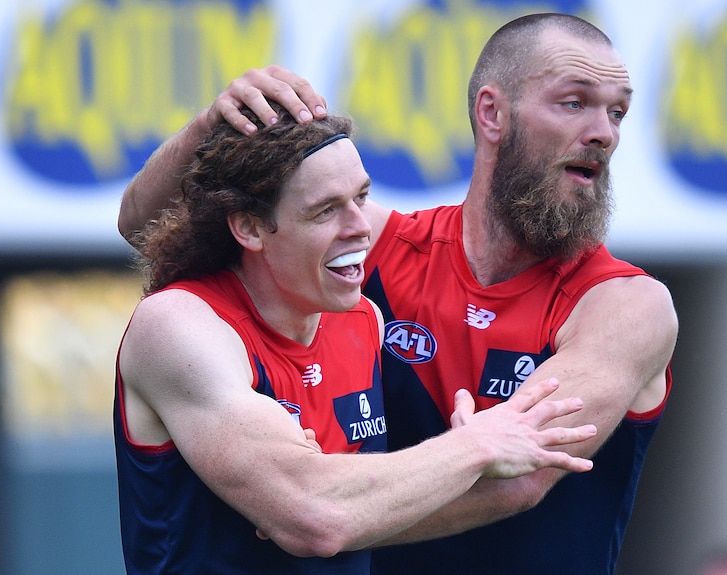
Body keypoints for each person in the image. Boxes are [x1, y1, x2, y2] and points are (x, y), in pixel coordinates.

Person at [118, 12, 679, 574]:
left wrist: (325, 513)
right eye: (575, 102)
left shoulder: (625, 304)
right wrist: (211, 128)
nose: (605, 131)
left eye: (618, 111)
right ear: (492, 113)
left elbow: (519, 480)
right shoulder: (372, 254)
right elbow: (147, 227)